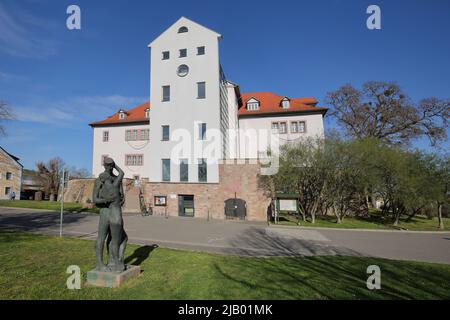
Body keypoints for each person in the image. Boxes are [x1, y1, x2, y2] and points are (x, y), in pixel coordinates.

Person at [92, 158, 128, 273]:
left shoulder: (116, 179)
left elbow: (121, 194)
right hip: (105, 211)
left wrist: (121, 199)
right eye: (108, 165)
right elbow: (95, 199)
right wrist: (106, 200)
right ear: (104, 166)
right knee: (102, 237)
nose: (110, 167)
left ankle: (114, 261)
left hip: (115, 210)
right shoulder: (100, 180)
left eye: (111, 165)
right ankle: (100, 263)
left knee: (118, 238)